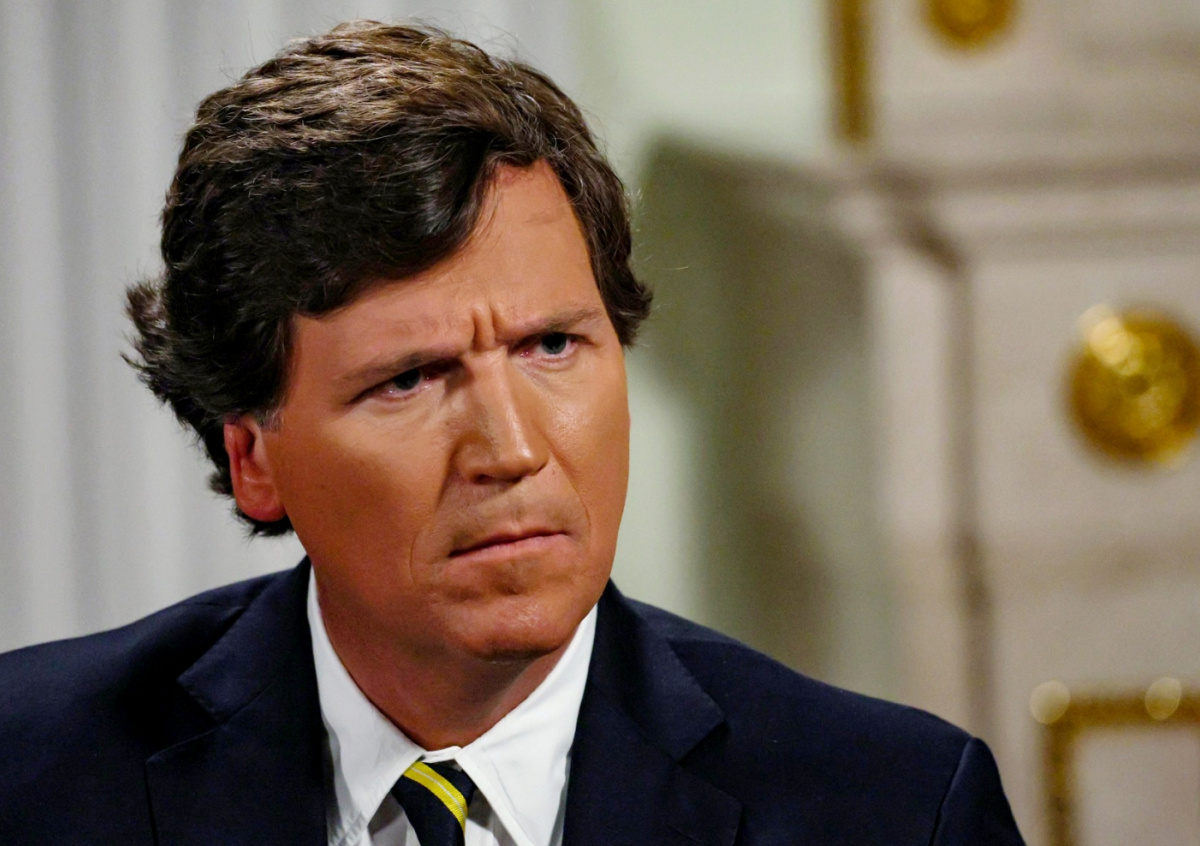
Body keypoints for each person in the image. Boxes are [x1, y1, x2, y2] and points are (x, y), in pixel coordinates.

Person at [0, 20, 1025, 846]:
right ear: (254, 457)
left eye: (551, 346)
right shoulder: (30, 777)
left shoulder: (896, 812)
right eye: (409, 379)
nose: (513, 450)